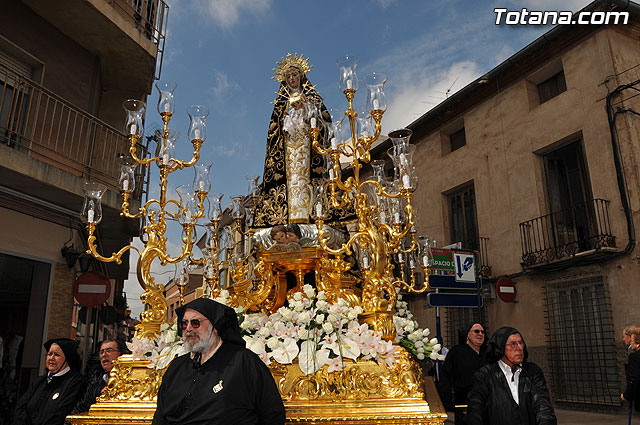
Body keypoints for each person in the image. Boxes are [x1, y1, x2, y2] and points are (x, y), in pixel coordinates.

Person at [152, 298, 285, 425]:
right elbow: (160, 417)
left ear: (214, 327)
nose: (188, 328)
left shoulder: (244, 362)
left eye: (195, 323)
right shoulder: (176, 367)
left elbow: (273, 414)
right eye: (184, 323)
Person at [464, 326, 556, 425]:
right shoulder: (485, 375)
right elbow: (475, 408)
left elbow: (543, 406)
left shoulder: (532, 371)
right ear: (500, 348)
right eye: (513, 344)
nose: (520, 348)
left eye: (521, 343)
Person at [12, 338, 86, 425]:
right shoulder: (39, 381)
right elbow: (21, 409)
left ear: (67, 359)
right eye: (49, 354)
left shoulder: (76, 382)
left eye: (57, 355)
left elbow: (61, 415)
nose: (51, 358)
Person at [438, 322, 487, 425]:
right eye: (476, 331)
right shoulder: (456, 352)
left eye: (482, 332)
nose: (480, 334)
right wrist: (447, 403)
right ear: (467, 335)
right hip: (464, 404)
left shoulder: (488, 353)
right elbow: (445, 377)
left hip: (487, 403)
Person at [70, 339, 123, 414]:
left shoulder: (128, 382)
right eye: (101, 352)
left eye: (109, 350)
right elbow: (81, 408)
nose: (104, 355)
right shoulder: (96, 383)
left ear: (120, 354)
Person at [622, 328, 640, 412]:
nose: (631, 343)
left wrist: (627, 395)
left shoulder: (634, 356)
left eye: (632, 341)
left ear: (638, 343)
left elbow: (634, 379)